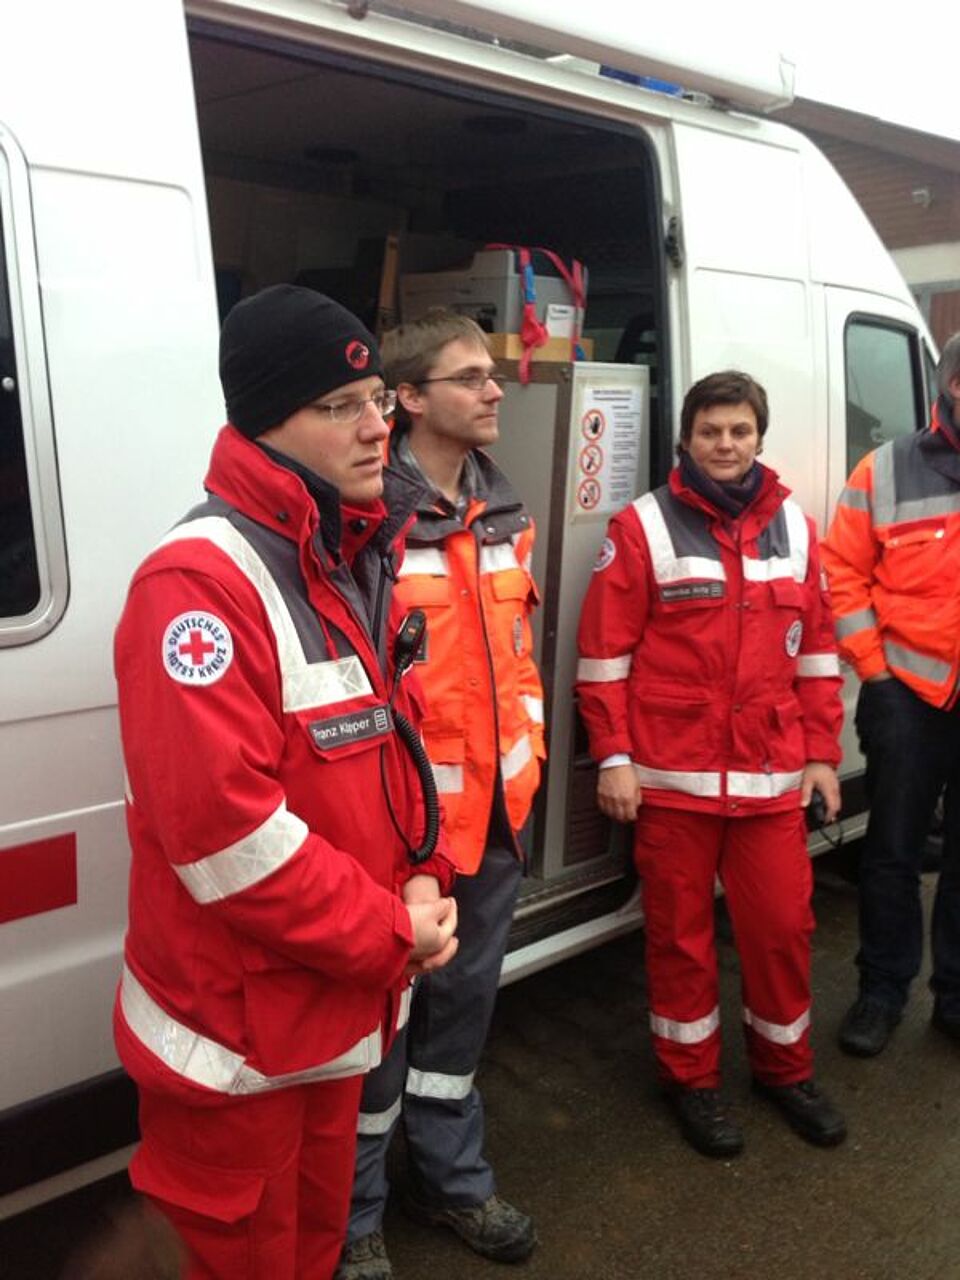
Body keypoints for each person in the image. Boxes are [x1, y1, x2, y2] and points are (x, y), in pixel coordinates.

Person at [112, 285, 459, 1280]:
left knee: (310, 1253)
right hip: (235, 1047)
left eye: (377, 400)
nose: (377, 425)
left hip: (327, 1012)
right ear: (266, 422)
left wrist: (425, 869)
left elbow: (393, 746)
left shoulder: (342, 554)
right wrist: (393, 930)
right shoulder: (198, 584)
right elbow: (226, 839)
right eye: (340, 406)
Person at [576, 370, 847, 1158]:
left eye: (739, 431)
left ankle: (785, 1071)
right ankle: (690, 1083)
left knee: (782, 932)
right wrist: (614, 757)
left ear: (759, 437)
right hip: (671, 784)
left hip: (770, 782)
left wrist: (822, 757)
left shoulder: (797, 529)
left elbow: (818, 655)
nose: (724, 445)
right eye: (710, 431)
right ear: (686, 439)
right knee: (679, 941)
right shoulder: (642, 528)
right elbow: (603, 657)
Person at [336, 312, 544, 1279]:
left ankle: (451, 1182)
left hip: (494, 823)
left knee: (459, 1021)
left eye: (492, 374)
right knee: (377, 1034)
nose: (495, 390)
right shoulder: (367, 519)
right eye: (470, 377)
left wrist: (527, 768)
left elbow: (519, 661)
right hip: (402, 835)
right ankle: (356, 1218)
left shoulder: (504, 510)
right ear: (411, 398)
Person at [823, 332, 960, 1057]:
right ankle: (881, 992)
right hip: (906, 693)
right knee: (892, 852)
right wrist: (874, 672)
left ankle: (956, 998)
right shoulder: (884, 469)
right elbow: (841, 574)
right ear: (955, 387)